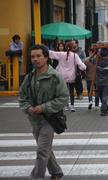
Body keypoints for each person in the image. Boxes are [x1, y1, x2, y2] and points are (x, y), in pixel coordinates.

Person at [19, 44, 69, 180]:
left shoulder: (55, 77)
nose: (35, 59)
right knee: (46, 149)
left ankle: (36, 177)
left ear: (46, 57)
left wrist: (43, 107)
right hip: (34, 120)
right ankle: (56, 171)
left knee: (42, 150)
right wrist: (28, 108)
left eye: (38, 56)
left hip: (50, 120)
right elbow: (22, 98)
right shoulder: (29, 78)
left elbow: (63, 98)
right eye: (32, 57)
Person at [49, 41, 86, 112]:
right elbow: (82, 66)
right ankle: (72, 106)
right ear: (73, 48)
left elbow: (51, 53)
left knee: (64, 92)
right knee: (71, 91)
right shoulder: (75, 55)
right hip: (71, 76)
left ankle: (66, 105)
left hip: (62, 76)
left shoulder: (61, 54)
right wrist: (85, 68)